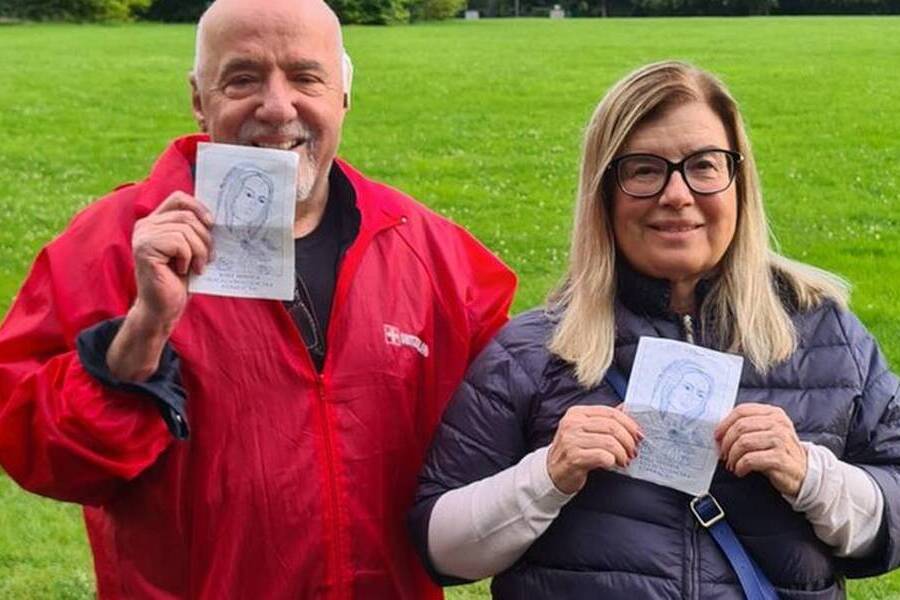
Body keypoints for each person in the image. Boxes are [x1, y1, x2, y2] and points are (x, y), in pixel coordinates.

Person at [0, 0, 515, 598]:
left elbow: (511, 423)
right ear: (199, 98)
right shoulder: (110, 246)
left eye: (305, 77)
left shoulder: (431, 252)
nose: (276, 106)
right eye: (243, 78)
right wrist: (140, 338)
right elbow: (41, 458)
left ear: (343, 95)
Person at [410, 61, 900, 599]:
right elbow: (441, 547)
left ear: (739, 181)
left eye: (704, 166)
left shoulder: (824, 334)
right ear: (605, 194)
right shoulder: (535, 351)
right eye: (644, 169)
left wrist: (810, 475)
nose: (677, 194)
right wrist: (546, 477)